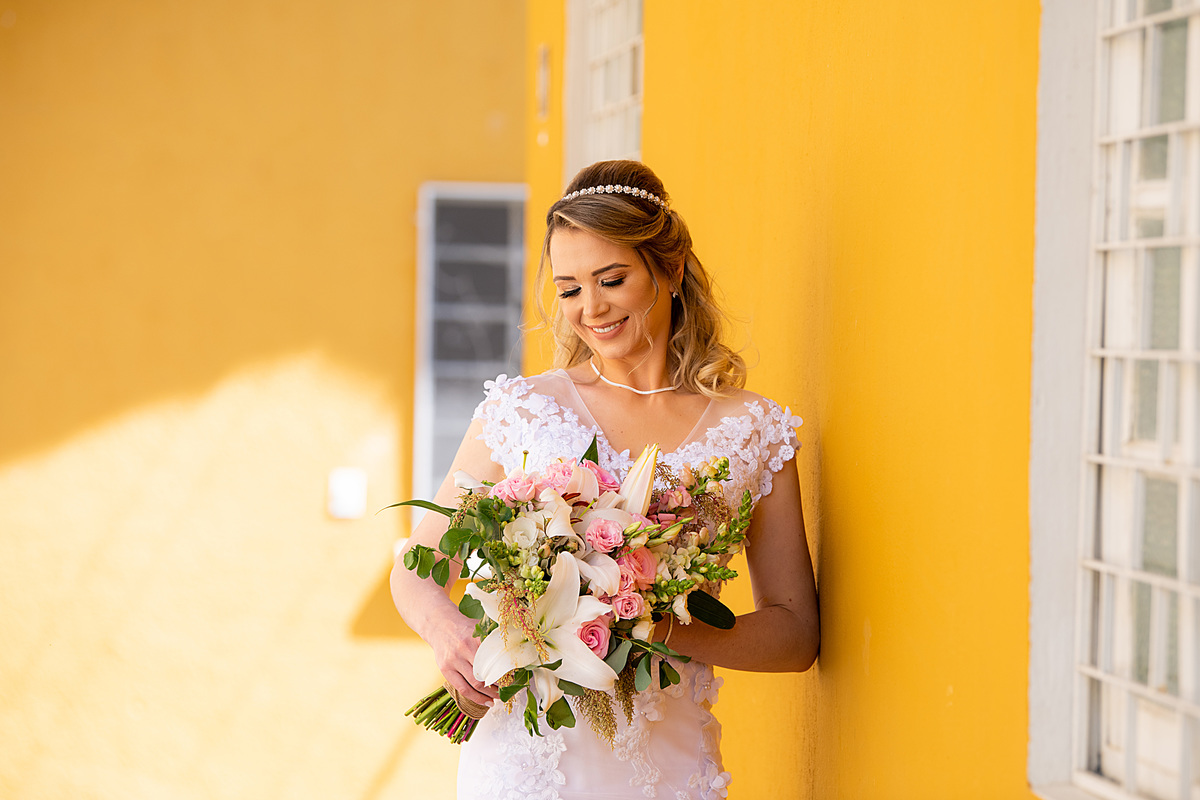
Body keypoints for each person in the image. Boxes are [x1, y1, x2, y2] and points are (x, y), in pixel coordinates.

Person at [391, 160, 819, 800]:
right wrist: (449, 635)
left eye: (611, 279)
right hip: (525, 759)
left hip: (669, 762)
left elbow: (794, 635)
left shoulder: (754, 431)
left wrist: (651, 623)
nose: (589, 309)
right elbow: (418, 564)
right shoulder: (523, 410)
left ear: (669, 269)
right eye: (568, 290)